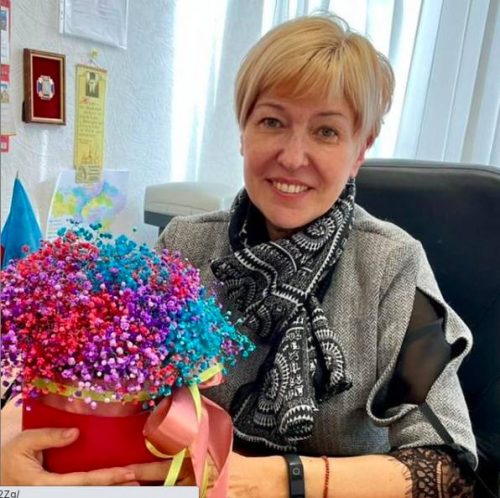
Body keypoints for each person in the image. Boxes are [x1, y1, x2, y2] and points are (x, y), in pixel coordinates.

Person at [1, 14, 476, 497]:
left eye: (326, 132)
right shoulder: (185, 246)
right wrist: (14, 459)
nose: (293, 157)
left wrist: (275, 479)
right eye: (272, 121)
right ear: (243, 131)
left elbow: (449, 469)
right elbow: (91, 378)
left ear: (360, 151)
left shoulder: (392, 265)